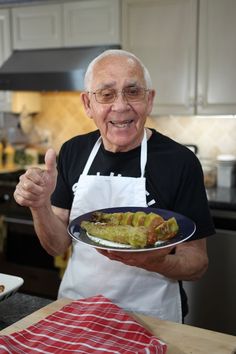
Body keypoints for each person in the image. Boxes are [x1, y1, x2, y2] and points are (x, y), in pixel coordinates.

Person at [14, 49, 215, 323]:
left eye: (133, 92)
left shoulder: (181, 162)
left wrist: (153, 261)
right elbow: (57, 245)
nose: (120, 107)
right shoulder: (73, 151)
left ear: (150, 99)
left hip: (152, 319)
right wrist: (40, 207)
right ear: (87, 104)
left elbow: (196, 264)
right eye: (106, 94)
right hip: (78, 310)